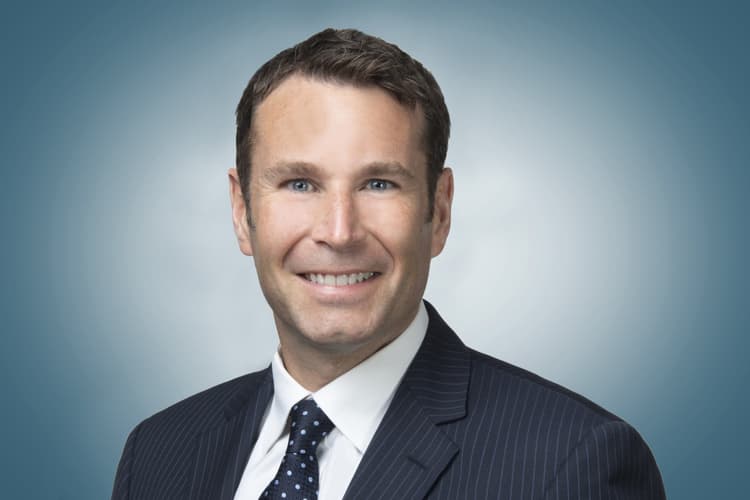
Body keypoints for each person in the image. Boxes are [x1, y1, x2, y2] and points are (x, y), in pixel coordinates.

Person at [112, 28, 665, 499]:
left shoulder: (572, 463)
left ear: (439, 211)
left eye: (379, 184)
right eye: (299, 183)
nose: (339, 232)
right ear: (241, 212)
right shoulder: (158, 454)